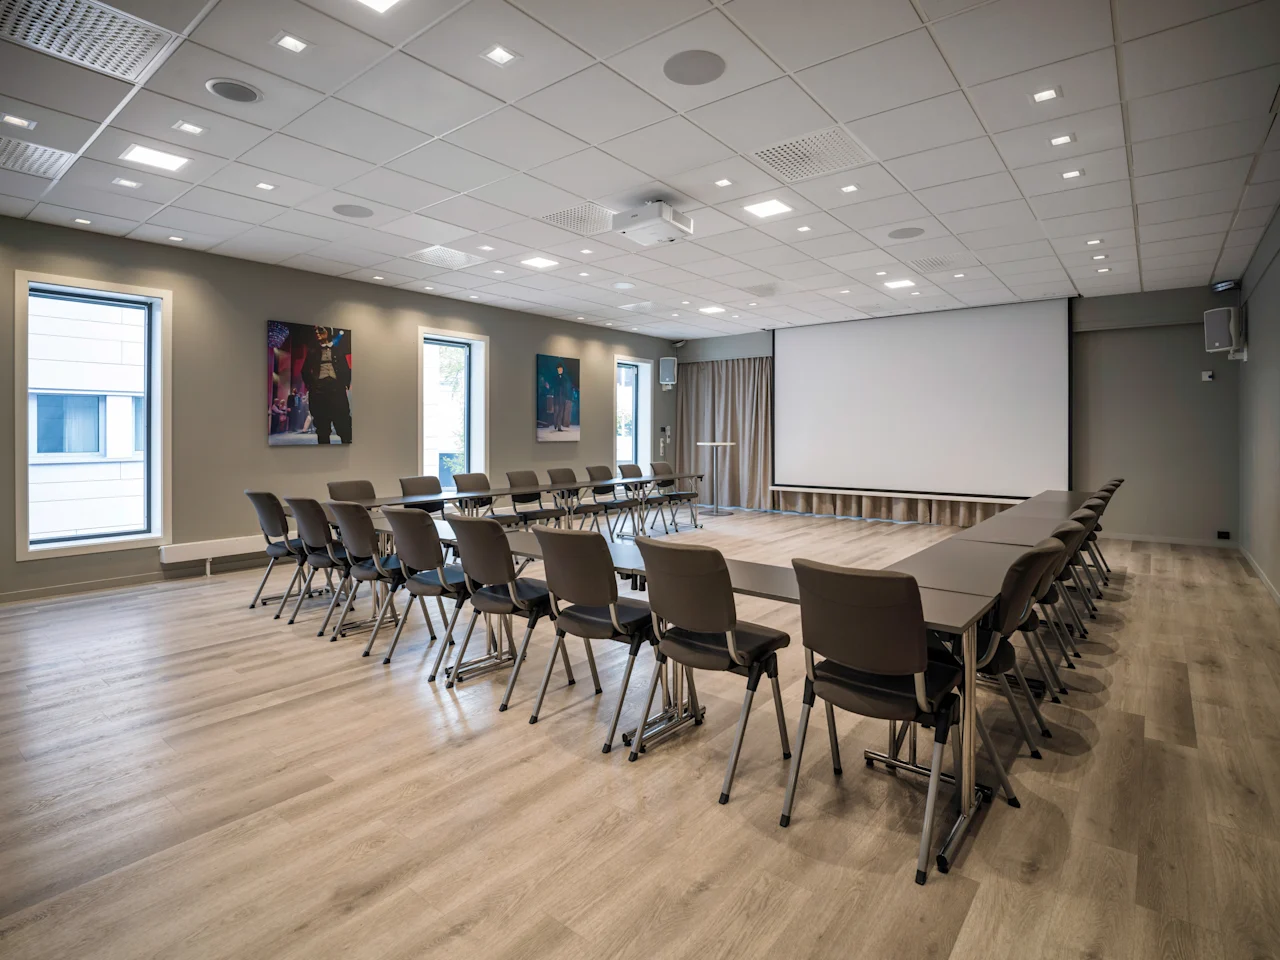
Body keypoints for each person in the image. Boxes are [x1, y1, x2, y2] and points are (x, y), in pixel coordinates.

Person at [301, 326, 352, 444]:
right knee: (322, 425)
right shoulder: (313, 351)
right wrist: (311, 385)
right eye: (316, 331)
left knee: (343, 422)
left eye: (321, 330)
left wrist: (345, 384)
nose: (317, 333)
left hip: (336, 389)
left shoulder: (338, 350)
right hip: (319, 390)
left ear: (328, 332)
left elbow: (345, 369)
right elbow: (305, 371)